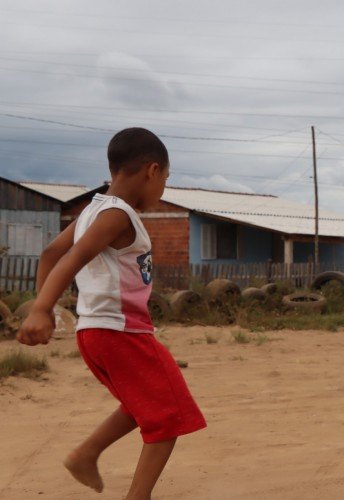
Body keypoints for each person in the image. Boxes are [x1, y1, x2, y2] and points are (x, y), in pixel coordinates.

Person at [16, 128, 206, 499]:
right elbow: (72, 258)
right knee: (169, 418)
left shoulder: (92, 210)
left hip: (97, 333)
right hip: (122, 333)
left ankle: (86, 454)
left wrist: (51, 307)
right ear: (152, 171)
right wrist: (41, 308)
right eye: (165, 179)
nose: (162, 188)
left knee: (146, 404)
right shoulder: (117, 215)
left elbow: (50, 253)